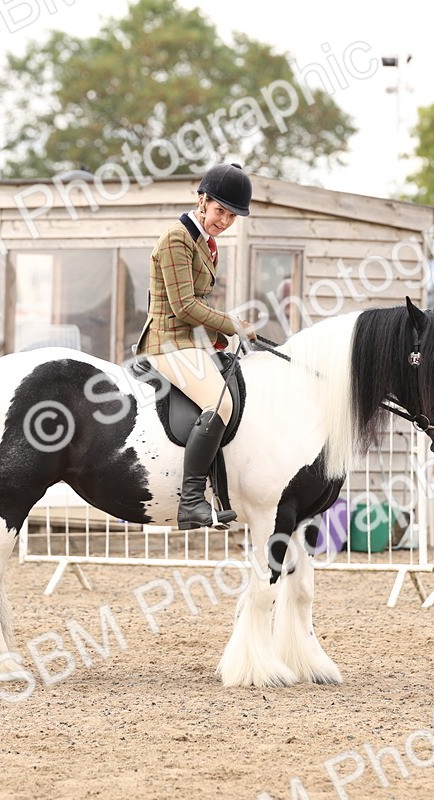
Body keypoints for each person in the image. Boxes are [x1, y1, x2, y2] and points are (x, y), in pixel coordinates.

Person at [134, 162, 258, 530]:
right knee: (219, 402)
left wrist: (224, 334)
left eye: (232, 216)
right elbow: (184, 305)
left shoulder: (206, 242)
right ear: (201, 200)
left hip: (190, 342)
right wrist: (233, 325)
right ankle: (190, 501)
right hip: (167, 342)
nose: (225, 220)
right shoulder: (177, 238)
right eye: (221, 211)